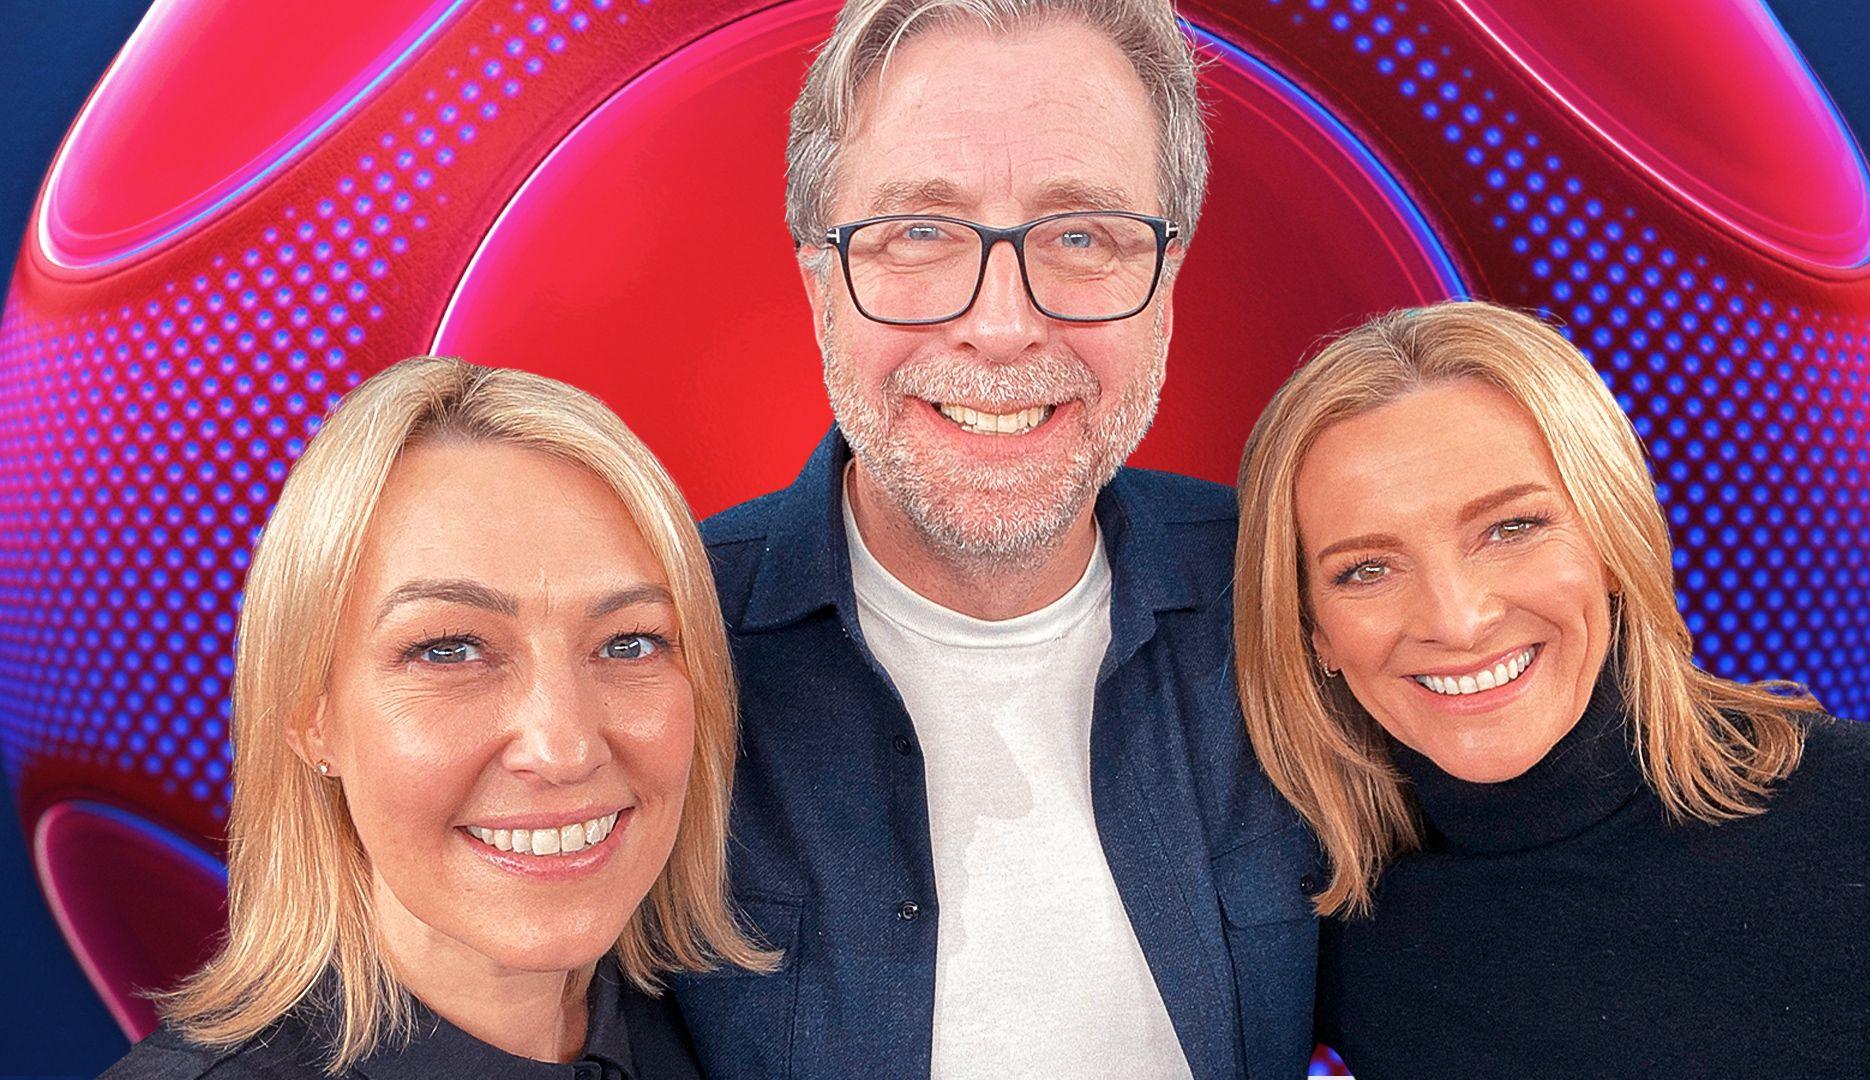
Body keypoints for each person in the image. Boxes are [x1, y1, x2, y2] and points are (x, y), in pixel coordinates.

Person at [665, 1, 1319, 1077]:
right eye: (920, 232)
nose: (1005, 324)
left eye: (1080, 235)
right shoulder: (651, 647)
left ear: (1167, 285)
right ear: (819, 283)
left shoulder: (1291, 595)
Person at [1233, 299, 1870, 1076]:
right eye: (1366, 570)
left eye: (1512, 528)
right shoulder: (1336, 938)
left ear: (1613, 540)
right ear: (1314, 631)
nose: (1457, 622)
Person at [102, 357, 774, 1078]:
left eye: (629, 643)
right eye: (450, 649)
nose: (564, 748)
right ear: (307, 712)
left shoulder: (726, 1041)